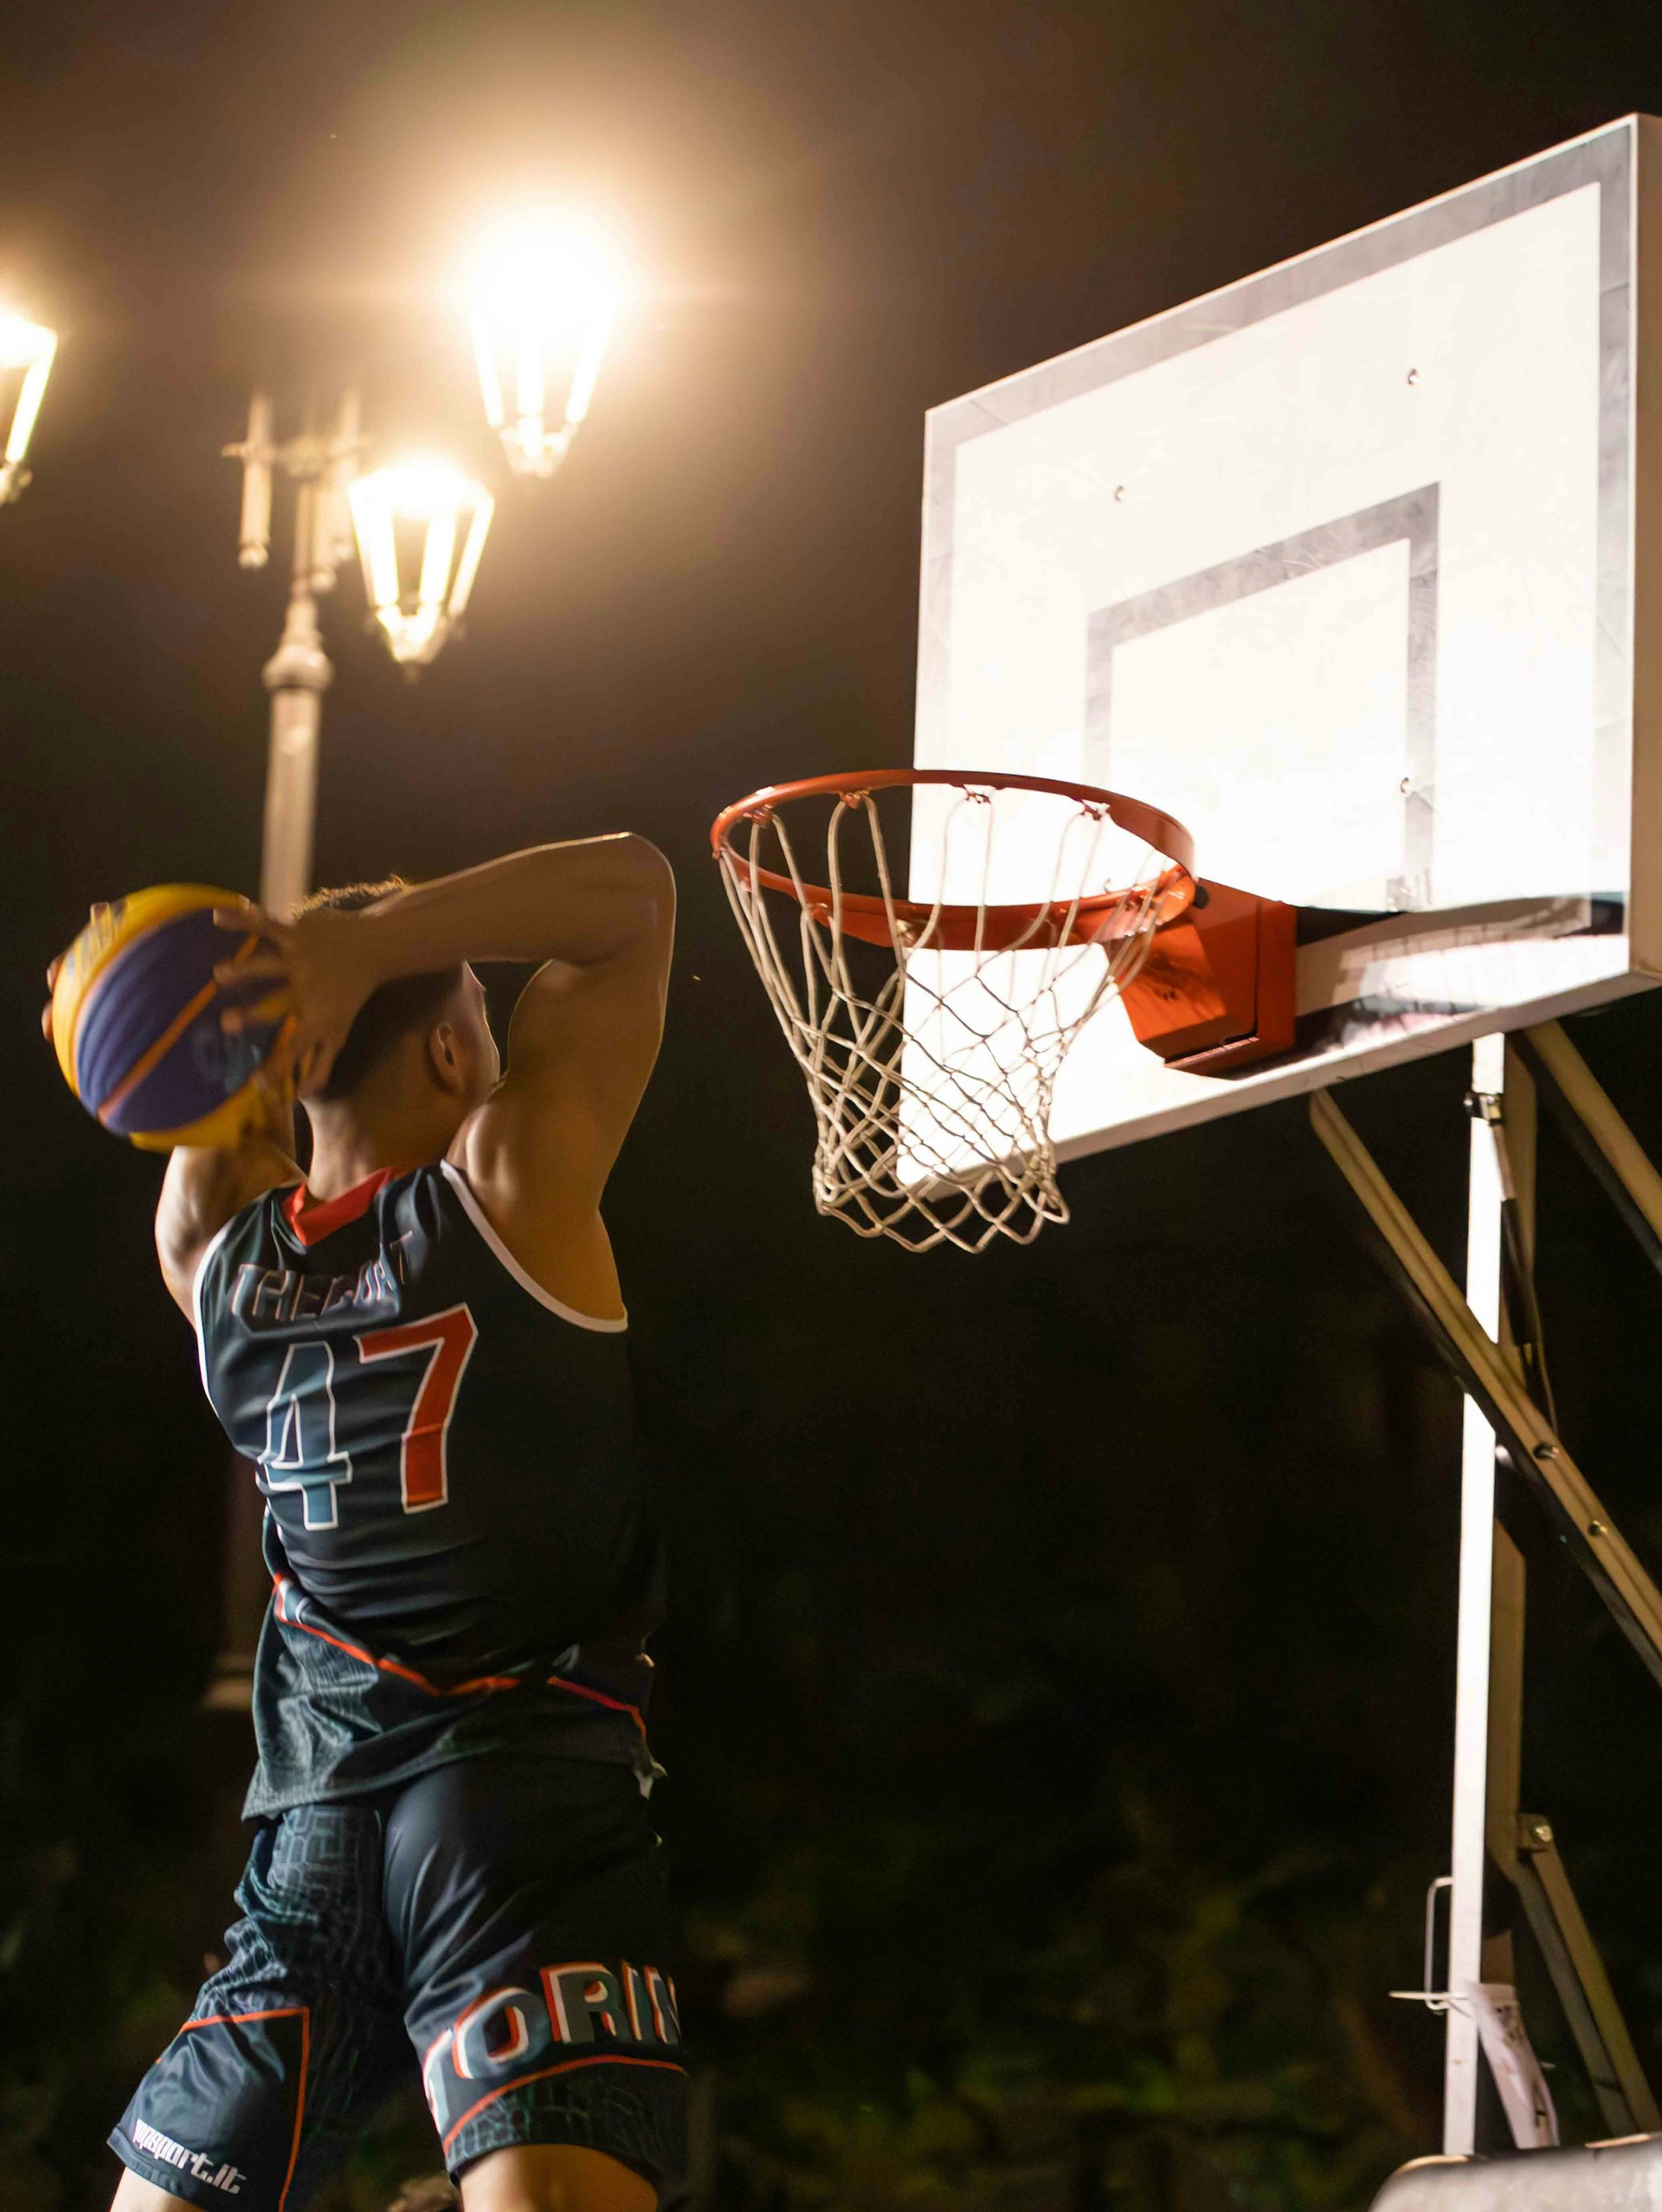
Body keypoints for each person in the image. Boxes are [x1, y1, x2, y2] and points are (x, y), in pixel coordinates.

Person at [60, 836, 681, 2212]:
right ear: (454, 1056)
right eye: (482, 1027)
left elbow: (203, 1129)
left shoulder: (215, 1269)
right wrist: (364, 943)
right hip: (516, 1798)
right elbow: (634, 894)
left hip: (320, 1828)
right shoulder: (505, 1190)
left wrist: (188, 992)